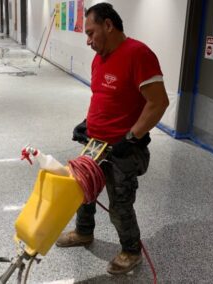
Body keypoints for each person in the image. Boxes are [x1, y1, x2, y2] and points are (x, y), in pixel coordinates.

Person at [56, 2, 169, 275]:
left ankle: (131, 251)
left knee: (119, 202)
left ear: (109, 25)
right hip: (94, 143)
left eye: (91, 32)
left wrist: (131, 138)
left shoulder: (138, 54)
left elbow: (158, 103)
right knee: (83, 189)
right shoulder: (100, 58)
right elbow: (104, 98)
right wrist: (87, 125)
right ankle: (84, 232)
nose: (88, 40)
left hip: (122, 149)